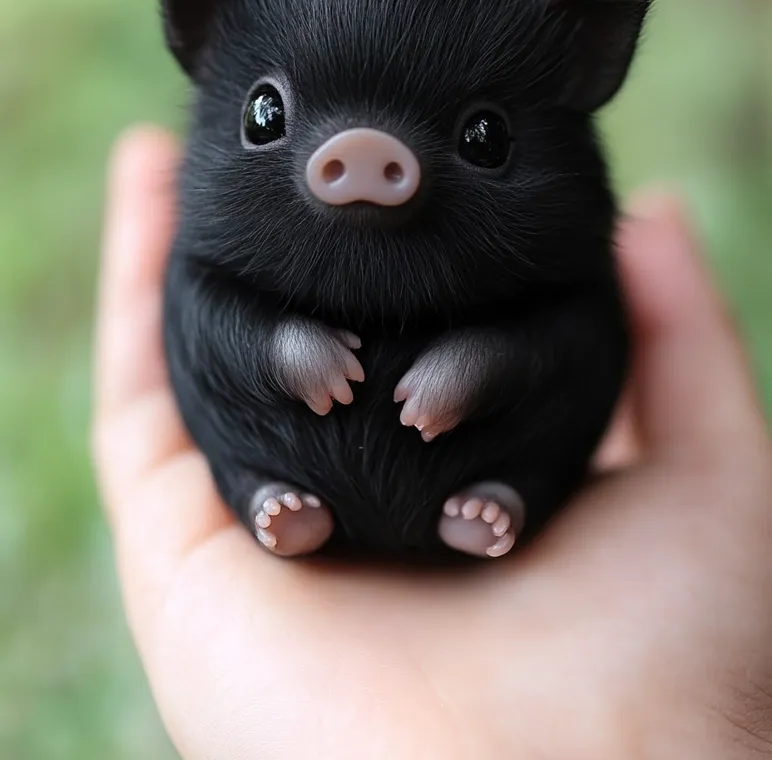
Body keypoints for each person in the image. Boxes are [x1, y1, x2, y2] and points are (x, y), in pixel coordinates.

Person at [92, 125, 772, 759]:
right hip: (275, 441)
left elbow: (568, 345)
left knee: (571, 359)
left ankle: (506, 495)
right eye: (269, 117)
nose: (359, 164)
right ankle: (264, 493)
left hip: (497, 444)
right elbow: (210, 330)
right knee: (220, 396)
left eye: (482, 137)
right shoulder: (214, 268)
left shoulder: (563, 275)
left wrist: (484, 366)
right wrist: (278, 349)